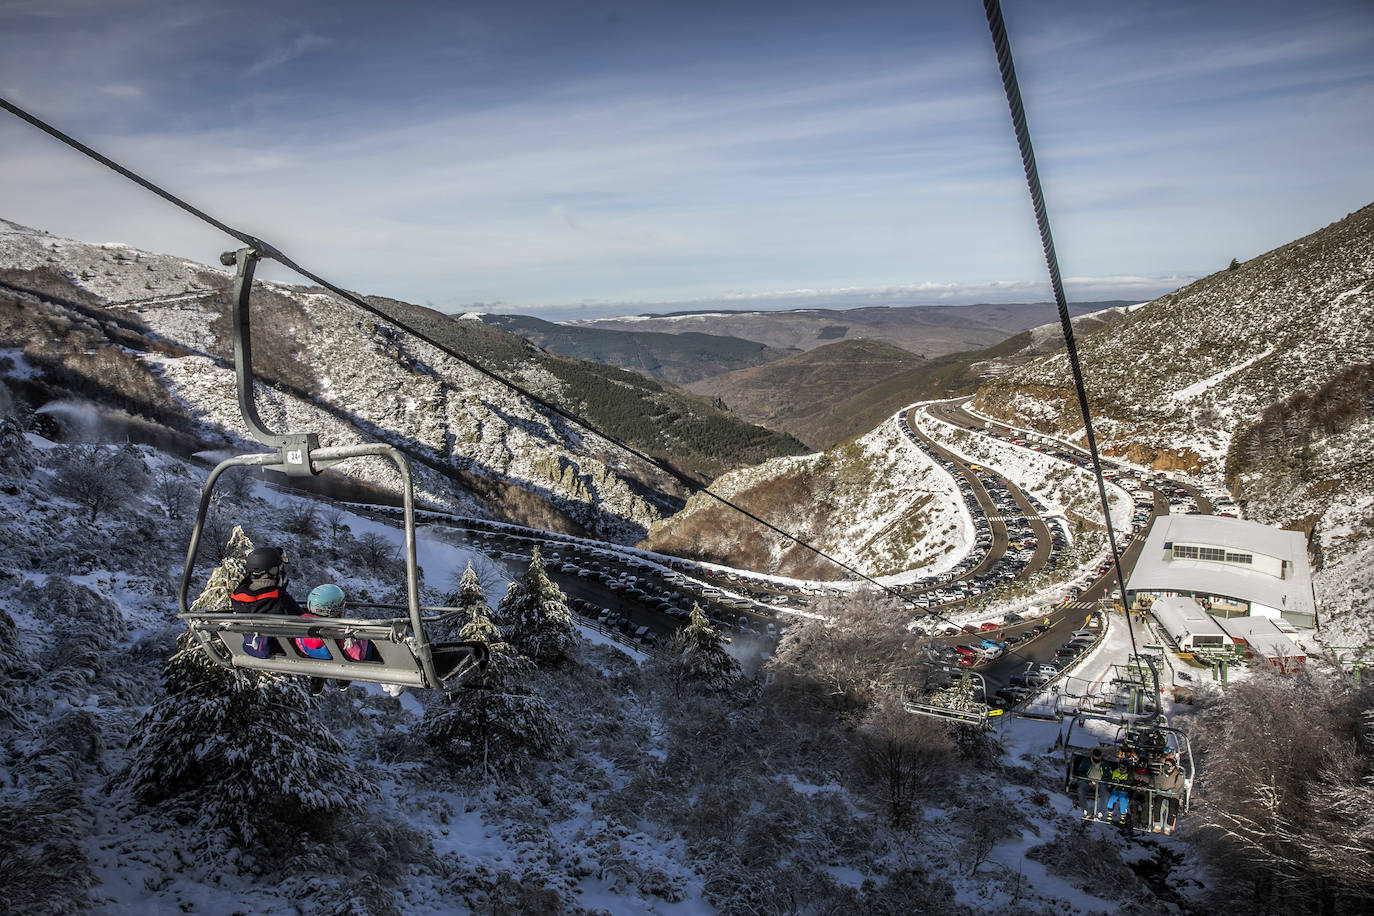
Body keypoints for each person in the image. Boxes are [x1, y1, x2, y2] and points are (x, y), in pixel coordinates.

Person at [298, 583, 371, 696]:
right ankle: (343, 678)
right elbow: (356, 655)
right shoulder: (338, 635)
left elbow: (299, 643)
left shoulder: (301, 628)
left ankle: (317, 681)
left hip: (310, 653)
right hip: (338, 657)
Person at [229, 546, 302, 658]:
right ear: (273, 570)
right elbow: (302, 621)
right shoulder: (280, 601)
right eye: (280, 567)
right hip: (285, 649)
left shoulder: (239, 599)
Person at [1152, 753, 1185, 834]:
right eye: (1165, 764)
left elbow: (1178, 786)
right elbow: (1158, 782)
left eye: (1168, 765)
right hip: (1162, 793)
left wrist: (1172, 791)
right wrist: (1158, 789)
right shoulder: (1162, 772)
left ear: (1173, 766)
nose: (1166, 766)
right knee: (1158, 805)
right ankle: (1157, 825)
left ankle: (1168, 827)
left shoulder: (1178, 775)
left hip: (1173, 795)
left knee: (1172, 808)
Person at [1074, 747, 1106, 818]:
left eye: (1098, 757)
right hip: (1087, 782)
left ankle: (1101, 813)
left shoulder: (1104, 764)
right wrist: (1087, 781)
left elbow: (1108, 775)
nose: (1097, 759)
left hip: (1099, 783)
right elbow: (1080, 772)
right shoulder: (1086, 762)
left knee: (1105, 794)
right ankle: (1085, 810)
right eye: (1095, 757)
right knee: (1080, 790)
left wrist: (1101, 781)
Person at [1104, 754, 1132, 825]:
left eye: (1123, 767)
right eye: (1120, 767)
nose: (1121, 769)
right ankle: (1109, 814)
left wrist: (1124, 783)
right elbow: (1109, 778)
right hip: (1115, 789)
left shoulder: (1128, 774)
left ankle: (1123, 816)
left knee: (1123, 799)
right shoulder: (1115, 772)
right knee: (1112, 798)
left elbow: (1130, 781)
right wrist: (1112, 781)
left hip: (1124, 791)